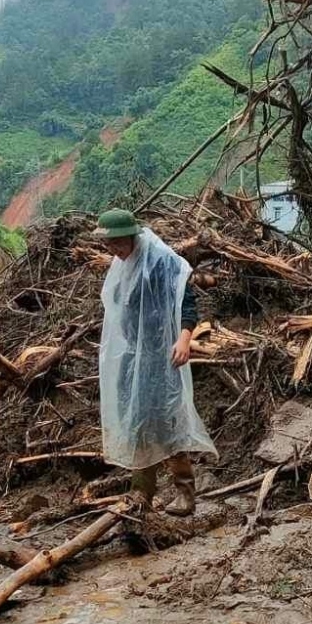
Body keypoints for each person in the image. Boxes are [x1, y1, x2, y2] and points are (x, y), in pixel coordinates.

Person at [93, 209, 216, 516]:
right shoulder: (122, 265)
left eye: (116, 243)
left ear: (130, 237)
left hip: (161, 358)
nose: (112, 251)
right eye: (108, 245)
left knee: (165, 423)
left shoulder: (162, 262)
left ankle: (185, 494)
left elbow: (186, 303)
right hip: (132, 359)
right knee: (135, 425)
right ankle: (141, 497)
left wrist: (184, 339)